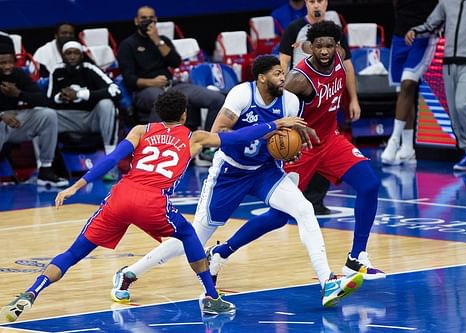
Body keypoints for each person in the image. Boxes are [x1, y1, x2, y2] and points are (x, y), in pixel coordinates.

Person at [0, 90, 303, 322]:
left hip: (120, 196)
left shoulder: (140, 131)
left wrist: (78, 185)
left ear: (158, 112)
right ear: (184, 115)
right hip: (152, 201)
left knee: (75, 251)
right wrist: (276, 123)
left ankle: (31, 291)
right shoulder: (193, 136)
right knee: (187, 235)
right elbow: (238, 136)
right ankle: (211, 297)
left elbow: (111, 159)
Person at [110, 55, 363, 308]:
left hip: (265, 171)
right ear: (261, 77)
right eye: (277, 73)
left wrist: (291, 147)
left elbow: (285, 139)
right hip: (230, 173)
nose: (283, 77)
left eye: (283, 72)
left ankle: (327, 281)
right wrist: (268, 129)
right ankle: (130, 273)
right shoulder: (242, 94)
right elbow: (219, 133)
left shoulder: (291, 101)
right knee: (193, 239)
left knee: (304, 209)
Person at [208, 22, 384, 282]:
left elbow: (340, 60)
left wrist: (353, 98)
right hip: (302, 147)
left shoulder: (340, 55)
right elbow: (274, 107)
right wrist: (276, 140)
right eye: (318, 46)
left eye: (329, 45)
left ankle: (356, 257)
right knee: (280, 216)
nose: (324, 51)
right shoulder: (298, 79)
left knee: (369, 184)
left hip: (331, 140)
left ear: (337, 46)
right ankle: (222, 251)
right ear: (311, 48)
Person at [279, 0, 361, 215]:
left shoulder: (336, 37)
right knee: (301, 147)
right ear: (306, 3)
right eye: (312, 0)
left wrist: (353, 99)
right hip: (303, 94)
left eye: (320, 0)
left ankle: (316, 201)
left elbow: (348, 64)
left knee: (327, 143)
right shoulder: (294, 29)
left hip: (328, 94)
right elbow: (283, 64)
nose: (317, 5)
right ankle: (286, 198)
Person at [117, 6, 226, 166]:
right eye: (143, 18)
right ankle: (153, 153)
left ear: (156, 20)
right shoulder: (127, 45)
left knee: (217, 99)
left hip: (172, 86)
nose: (147, 21)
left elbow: (175, 62)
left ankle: (206, 149)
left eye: (151, 18)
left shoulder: (162, 41)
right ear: (136, 21)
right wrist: (152, 82)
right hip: (144, 91)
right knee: (160, 100)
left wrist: (157, 41)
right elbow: (129, 80)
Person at [406, 0, 466, 172]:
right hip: (448, 63)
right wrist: (415, 31)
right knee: (454, 113)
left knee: (463, 104)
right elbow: (431, 24)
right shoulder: (446, 1)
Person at [0, 41, 68, 187]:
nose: (7, 66)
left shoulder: (18, 74)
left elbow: (43, 99)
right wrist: (1, 115)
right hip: (2, 120)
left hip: (13, 122)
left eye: (11, 62)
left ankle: (45, 170)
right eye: (2, 62)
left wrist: (18, 93)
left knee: (48, 114)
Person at [381, 0, 438, 165]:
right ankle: (408, 149)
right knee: (404, 92)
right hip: (399, 36)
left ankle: (394, 140)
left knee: (408, 84)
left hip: (423, 36)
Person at [48, 41, 121, 169]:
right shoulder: (57, 70)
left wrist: (81, 94)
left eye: (75, 53)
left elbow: (115, 91)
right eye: (68, 53)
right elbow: (48, 100)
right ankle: (45, 167)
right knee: (43, 115)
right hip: (68, 119)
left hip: (92, 118)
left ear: (81, 55)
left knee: (107, 104)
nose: (72, 56)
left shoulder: (90, 68)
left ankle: (111, 161)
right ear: (62, 56)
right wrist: (61, 97)